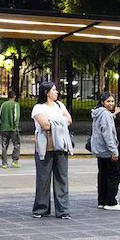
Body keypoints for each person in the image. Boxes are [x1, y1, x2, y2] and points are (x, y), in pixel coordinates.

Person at [32, 81, 73, 219]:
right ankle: (41, 209)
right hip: (45, 147)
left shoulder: (59, 105)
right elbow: (45, 125)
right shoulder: (38, 108)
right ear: (46, 92)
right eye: (54, 90)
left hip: (61, 145)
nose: (57, 92)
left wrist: (53, 122)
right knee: (43, 179)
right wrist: (61, 121)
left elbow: (69, 120)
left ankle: (63, 210)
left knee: (62, 177)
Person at [89, 91, 120, 211]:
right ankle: (111, 202)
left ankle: (102, 201)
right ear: (103, 102)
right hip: (107, 151)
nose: (111, 104)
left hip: (100, 151)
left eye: (112, 101)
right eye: (108, 101)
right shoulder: (106, 115)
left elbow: (104, 124)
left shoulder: (98, 113)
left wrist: (114, 114)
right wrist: (114, 151)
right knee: (113, 176)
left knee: (102, 176)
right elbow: (108, 134)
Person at [0, 89, 22, 168]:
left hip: (4, 128)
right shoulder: (15, 104)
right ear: (14, 97)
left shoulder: (3, 104)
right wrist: (15, 125)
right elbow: (16, 117)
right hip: (13, 128)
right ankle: (15, 161)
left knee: (4, 145)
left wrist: (2, 124)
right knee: (17, 144)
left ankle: (4, 163)